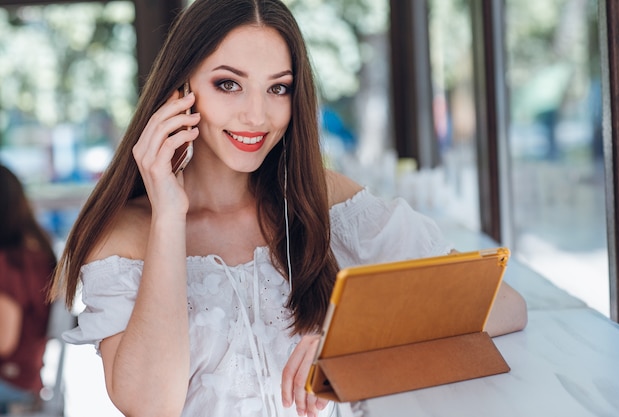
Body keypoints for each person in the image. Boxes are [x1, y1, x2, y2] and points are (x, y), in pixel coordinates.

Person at [50, 1, 528, 416]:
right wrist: (169, 215)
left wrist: (352, 339)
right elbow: (151, 406)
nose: (256, 116)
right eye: (228, 84)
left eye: (278, 88)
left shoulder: (324, 200)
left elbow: (505, 305)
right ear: (179, 91)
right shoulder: (125, 236)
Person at [0, 165, 57, 413]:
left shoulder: (8, 264)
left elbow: (4, 341)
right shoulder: (38, 251)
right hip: (28, 380)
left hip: (10, 383)